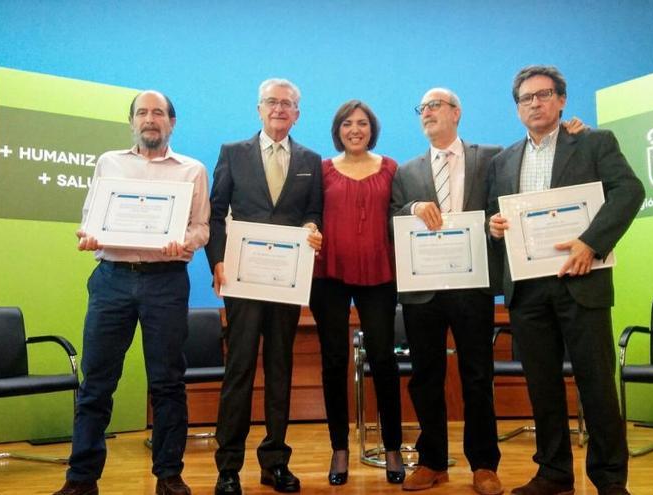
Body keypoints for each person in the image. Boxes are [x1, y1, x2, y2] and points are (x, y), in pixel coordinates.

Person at [487, 65, 644, 495]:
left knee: (596, 384)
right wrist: (494, 226)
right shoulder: (503, 161)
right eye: (526, 98)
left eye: (544, 95)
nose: (535, 103)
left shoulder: (593, 142)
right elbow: (492, 216)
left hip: (581, 281)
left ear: (561, 100)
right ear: (517, 108)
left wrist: (591, 243)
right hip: (527, 289)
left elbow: (629, 191)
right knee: (542, 387)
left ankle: (610, 480)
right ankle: (554, 473)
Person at [54, 90, 210, 495]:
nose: (150, 119)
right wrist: (88, 236)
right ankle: (81, 479)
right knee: (97, 382)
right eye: (142, 112)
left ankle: (169, 476)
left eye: (158, 113)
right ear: (132, 121)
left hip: (166, 281)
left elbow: (201, 227)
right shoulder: (110, 162)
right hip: (112, 280)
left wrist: (185, 241)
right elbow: (91, 218)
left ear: (171, 123)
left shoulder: (192, 169)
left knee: (167, 382)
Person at [206, 78, 323, 495]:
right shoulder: (232, 153)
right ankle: (229, 467)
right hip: (242, 278)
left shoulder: (311, 159)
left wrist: (313, 229)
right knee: (238, 371)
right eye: (271, 102)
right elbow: (216, 212)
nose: (279, 108)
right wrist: (217, 260)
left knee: (280, 369)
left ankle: (275, 461)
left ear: (297, 114)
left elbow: (313, 213)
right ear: (259, 109)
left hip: (286, 283)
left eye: (287, 103)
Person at [390, 87, 504, 495]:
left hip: (472, 285)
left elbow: (510, 195)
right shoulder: (406, 171)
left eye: (434, 106)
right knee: (425, 377)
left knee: (477, 375)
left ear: (457, 112)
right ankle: (433, 461)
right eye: (421, 108)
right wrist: (411, 209)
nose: (426, 113)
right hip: (424, 289)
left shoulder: (490, 157)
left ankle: (484, 465)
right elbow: (393, 218)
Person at [309, 100, 405, 486]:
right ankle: (339, 449)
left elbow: (402, 213)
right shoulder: (321, 171)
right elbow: (310, 214)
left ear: (372, 129)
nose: (355, 129)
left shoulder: (392, 168)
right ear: (338, 130)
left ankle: (393, 446)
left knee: (383, 359)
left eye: (362, 123)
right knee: (333, 362)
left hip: (381, 276)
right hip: (327, 276)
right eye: (347, 123)